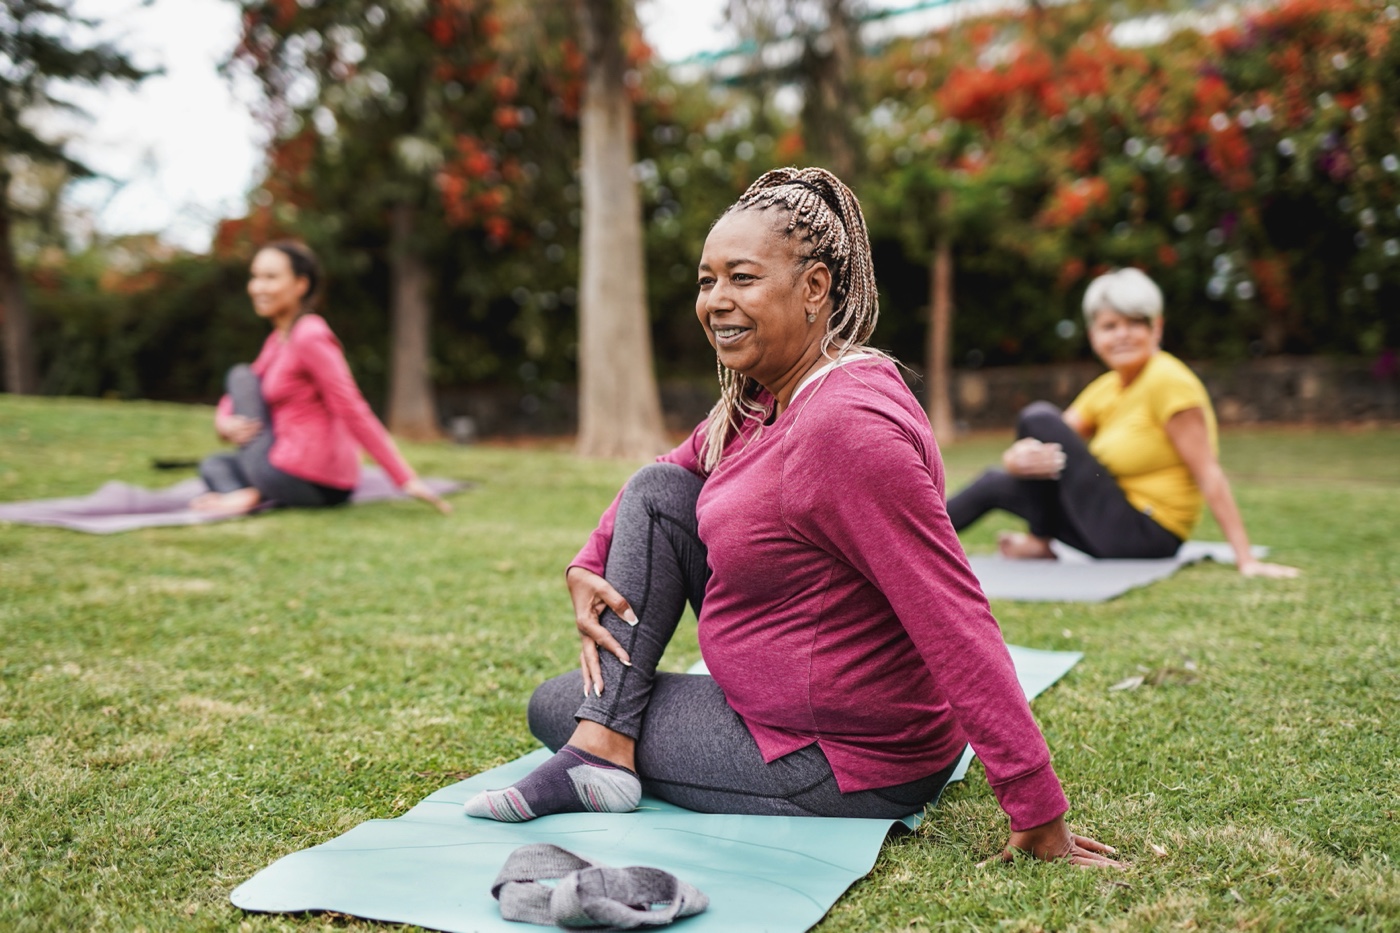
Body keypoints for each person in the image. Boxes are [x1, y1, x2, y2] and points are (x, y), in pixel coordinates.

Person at [464, 168, 1119, 868]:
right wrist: (587, 560)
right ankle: (604, 745)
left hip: (841, 757)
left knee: (555, 703)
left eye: (741, 278)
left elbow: (952, 612)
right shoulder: (764, 398)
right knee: (657, 494)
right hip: (791, 714)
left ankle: (601, 746)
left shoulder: (845, 428)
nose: (716, 300)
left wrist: (1036, 807)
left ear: (814, 289)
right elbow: (669, 472)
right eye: (706, 280)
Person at [945, 267, 1297, 578]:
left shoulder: (1168, 381)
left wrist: (1246, 559)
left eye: (1135, 323)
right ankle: (904, 551)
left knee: (1036, 415)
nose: (1122, 335)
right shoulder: (1108, 387)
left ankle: (1039, 540)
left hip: (1147, 532)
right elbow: (1051, 440)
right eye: (1110, 326)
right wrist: (1015, 459)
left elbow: (1208, 471)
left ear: (1156, 327)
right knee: (995, 481)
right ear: (1094, 335)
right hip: (1105, 524)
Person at [192, 241, 450, 517]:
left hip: (306, 476)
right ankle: (250, 493)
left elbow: (351, 407)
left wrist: (405, 478)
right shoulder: (278, 340)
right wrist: (224, 423)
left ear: (301, 285)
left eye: (270, 277)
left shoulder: (309, 335)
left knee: (239, 374)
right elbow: (239, 394)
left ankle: (251, 493)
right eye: (255, 277)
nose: (257, 287)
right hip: (290, 470)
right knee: (214, 465)